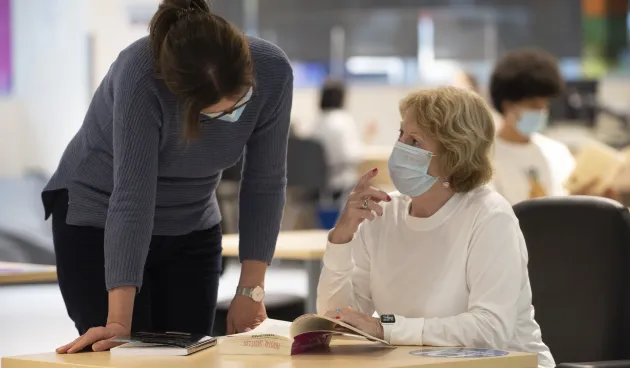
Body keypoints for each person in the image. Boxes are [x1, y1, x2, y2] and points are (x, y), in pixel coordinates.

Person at [43, 0, 292, 354]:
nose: (231, 115)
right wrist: (118, 323)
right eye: (214, 112)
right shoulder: (140, 73)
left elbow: (266, 182)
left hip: (192, 219)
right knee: (125, 353)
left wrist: (250, 292)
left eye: (238, 102)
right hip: (100, 215)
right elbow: (132, 197)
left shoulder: (274, 70)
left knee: (188, 353)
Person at [317, 86, 555, 368]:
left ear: (455, 155)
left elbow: (490, 330)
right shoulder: (382, 212)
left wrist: (386, 327)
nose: (400, 147)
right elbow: (340, 317)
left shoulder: (490, 215)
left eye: (415, 141)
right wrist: (342, 238)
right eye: (400, 135)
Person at [489, 48, 575, 204]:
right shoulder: (486, 158)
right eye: (533, 105)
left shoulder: (557, 153)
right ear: (508, 105)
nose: (541, 111)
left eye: (545, 104)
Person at [310, 79, 363, 197]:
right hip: (341, 184)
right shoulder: (344, 120)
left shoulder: (317, 123)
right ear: (342, 98)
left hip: (318, 185)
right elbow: (353, 155)